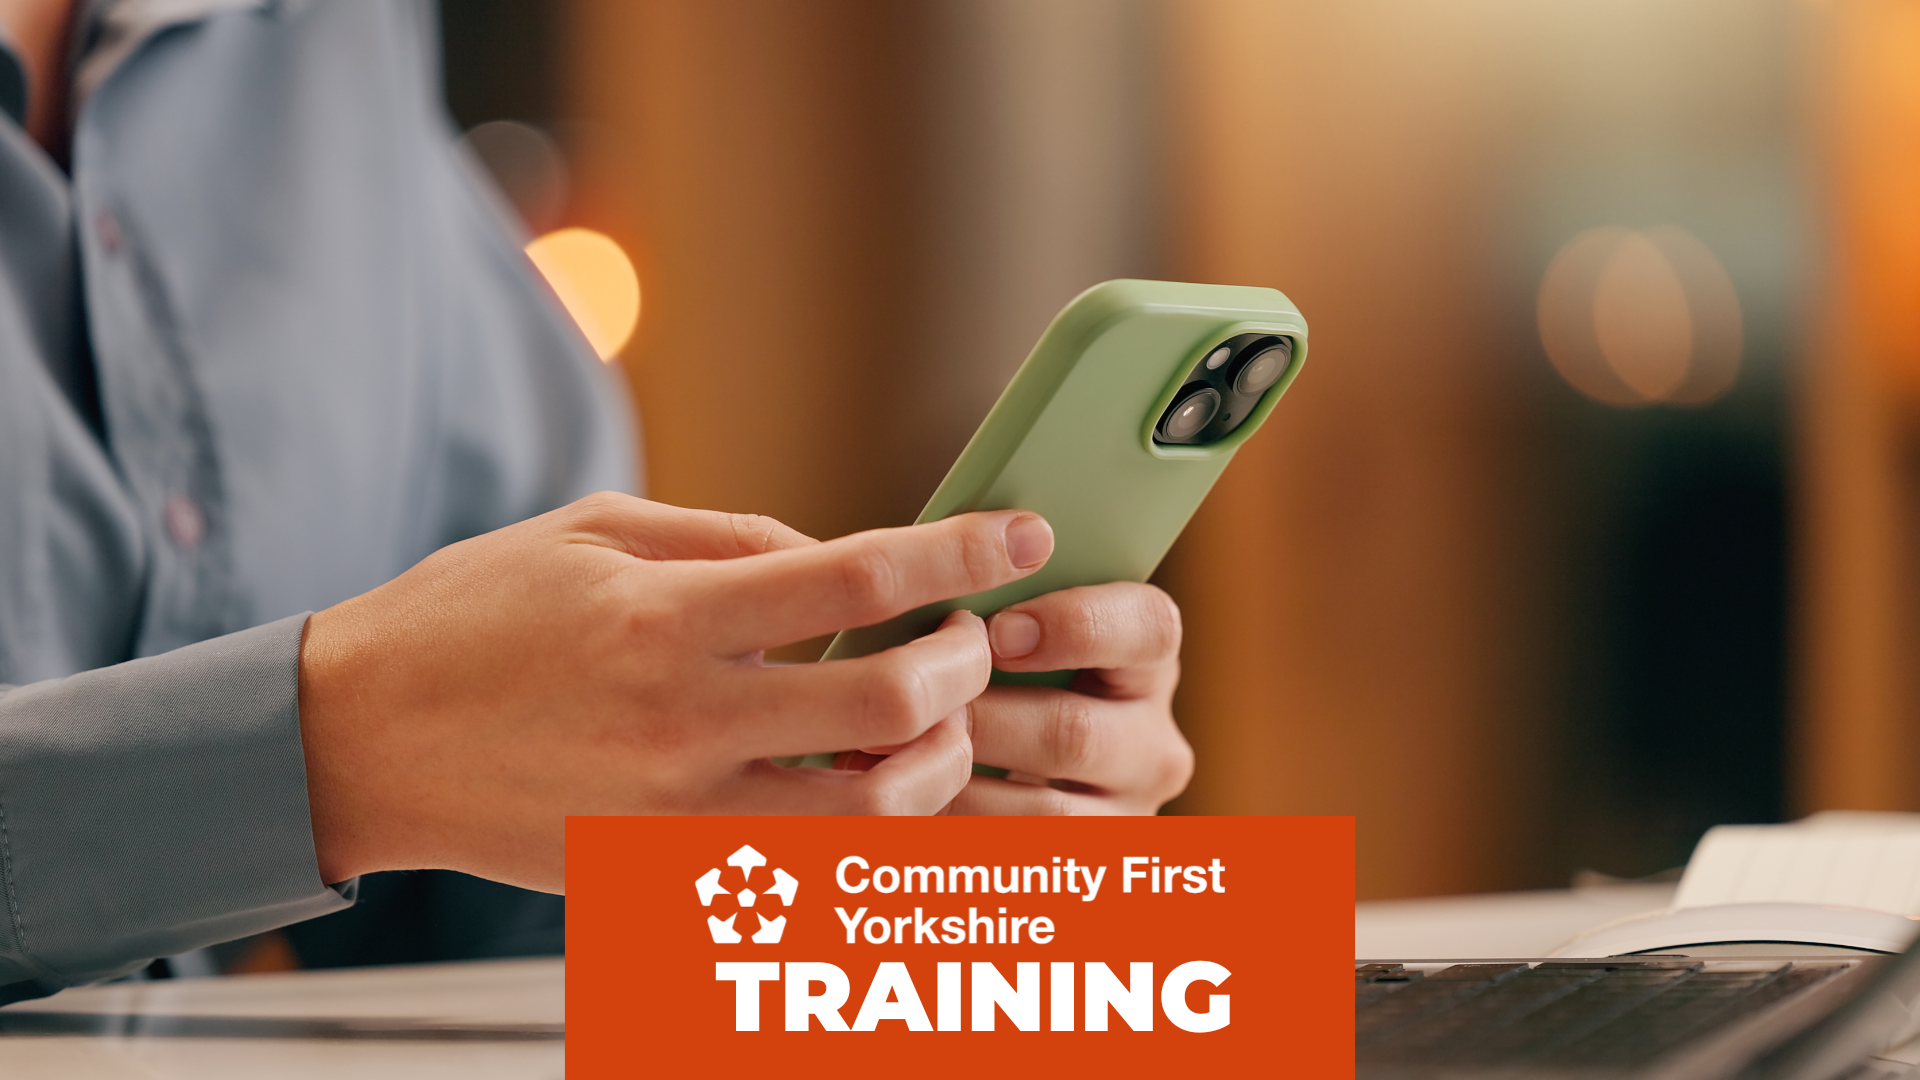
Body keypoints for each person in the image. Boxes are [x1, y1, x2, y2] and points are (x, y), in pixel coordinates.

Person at [0, 0, 1194, 1004]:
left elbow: (482, 920)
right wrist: (335, 754)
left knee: (1245, 993)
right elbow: (390, 751)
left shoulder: (329, 41)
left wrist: (856, 842)